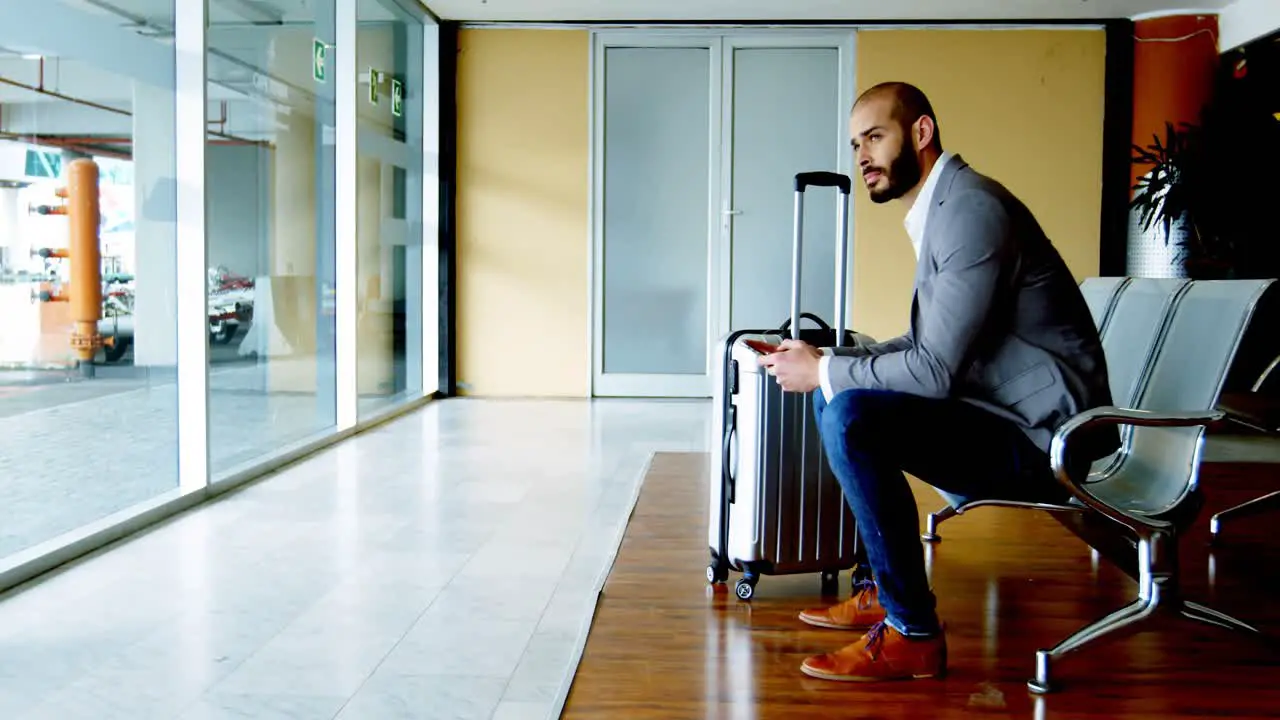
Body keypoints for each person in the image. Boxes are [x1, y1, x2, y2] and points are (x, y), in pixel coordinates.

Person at [757, 82, 1118, 682]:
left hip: (1050, 439)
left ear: (921, 134)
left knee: (851, 415)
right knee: (846, 400)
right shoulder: (946, 207)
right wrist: (835, 358)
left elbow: (934, 369)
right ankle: (882, 588)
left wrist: (824, 371)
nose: (863, 157)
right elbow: (931, 345)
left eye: (875, 137)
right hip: (1011, 416)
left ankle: (913, 633)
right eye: (856, 144)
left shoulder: (970, 211)